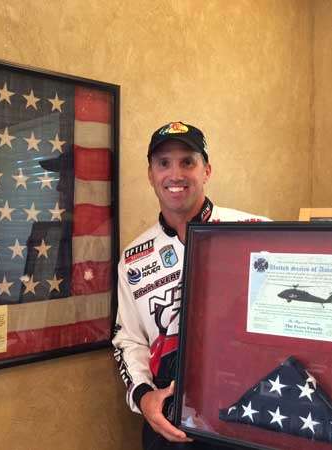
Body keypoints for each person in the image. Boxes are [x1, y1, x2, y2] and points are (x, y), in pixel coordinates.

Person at [112, 121, 269, 450]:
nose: (175, 174)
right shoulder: (133, 258)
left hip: (248, 414)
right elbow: (129, 339)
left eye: (187, 162)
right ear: (151, 174)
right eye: (164, 163)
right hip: (169, 421)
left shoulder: (258, 232)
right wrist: (144, 396)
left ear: (206, 170)